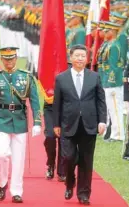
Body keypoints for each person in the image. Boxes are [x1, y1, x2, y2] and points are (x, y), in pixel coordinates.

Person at [0, 47, 42, 203]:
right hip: (2, 120)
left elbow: (34, 101)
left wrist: (37, 122)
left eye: (12, 58)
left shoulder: (26, 77)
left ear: (16, 58)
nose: (9, 61)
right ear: (2, 60)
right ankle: (2, 183)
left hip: (20, 120)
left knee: (18, 159)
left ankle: (16, 191)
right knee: (1, 154)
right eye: (6, 59)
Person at [52, 44, 107, 205]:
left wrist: (102, 121)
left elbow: (100, 101)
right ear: (71, 58)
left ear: (87, 58)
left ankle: (84, 194)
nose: (80, 59)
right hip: (68, 124)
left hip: (89, 124)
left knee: (86, 160)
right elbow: (57, 104)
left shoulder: (94, 77)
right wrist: (56, 124)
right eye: (77, 56)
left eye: (83, 56)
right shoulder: (61, 78)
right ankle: (70, 182)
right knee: (69, 157)